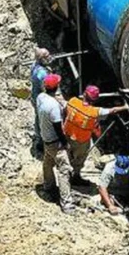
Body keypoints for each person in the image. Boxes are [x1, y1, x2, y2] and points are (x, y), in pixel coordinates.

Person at [63, 85, 129, 185]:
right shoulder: (93, 112)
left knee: (67, 154)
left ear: (84, 94)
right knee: (79, 159)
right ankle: (74, 177)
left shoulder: (73, 101)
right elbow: (112, 110)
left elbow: (64, 111)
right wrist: (125, 106)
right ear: (95, 99)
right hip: (81, 140)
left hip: (67, 134)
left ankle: (65, 172)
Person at [36, 73, 76, 214]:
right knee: (64, 170)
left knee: (47, 162)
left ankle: (48, 185)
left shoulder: (41, 97)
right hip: (55, 141)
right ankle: (67, 204)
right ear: (57, 87)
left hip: (45, 137)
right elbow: (59, 129)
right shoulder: (53, 106)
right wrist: (65, 144)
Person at [30, 47, 52, 152]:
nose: (50, 57)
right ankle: (41, 143)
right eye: (47, 56)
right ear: (42, 59)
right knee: (42, 120)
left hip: (35, 96)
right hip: (40, 99)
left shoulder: (35, 65)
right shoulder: (42, 74)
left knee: (38, 118)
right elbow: (46, 89)